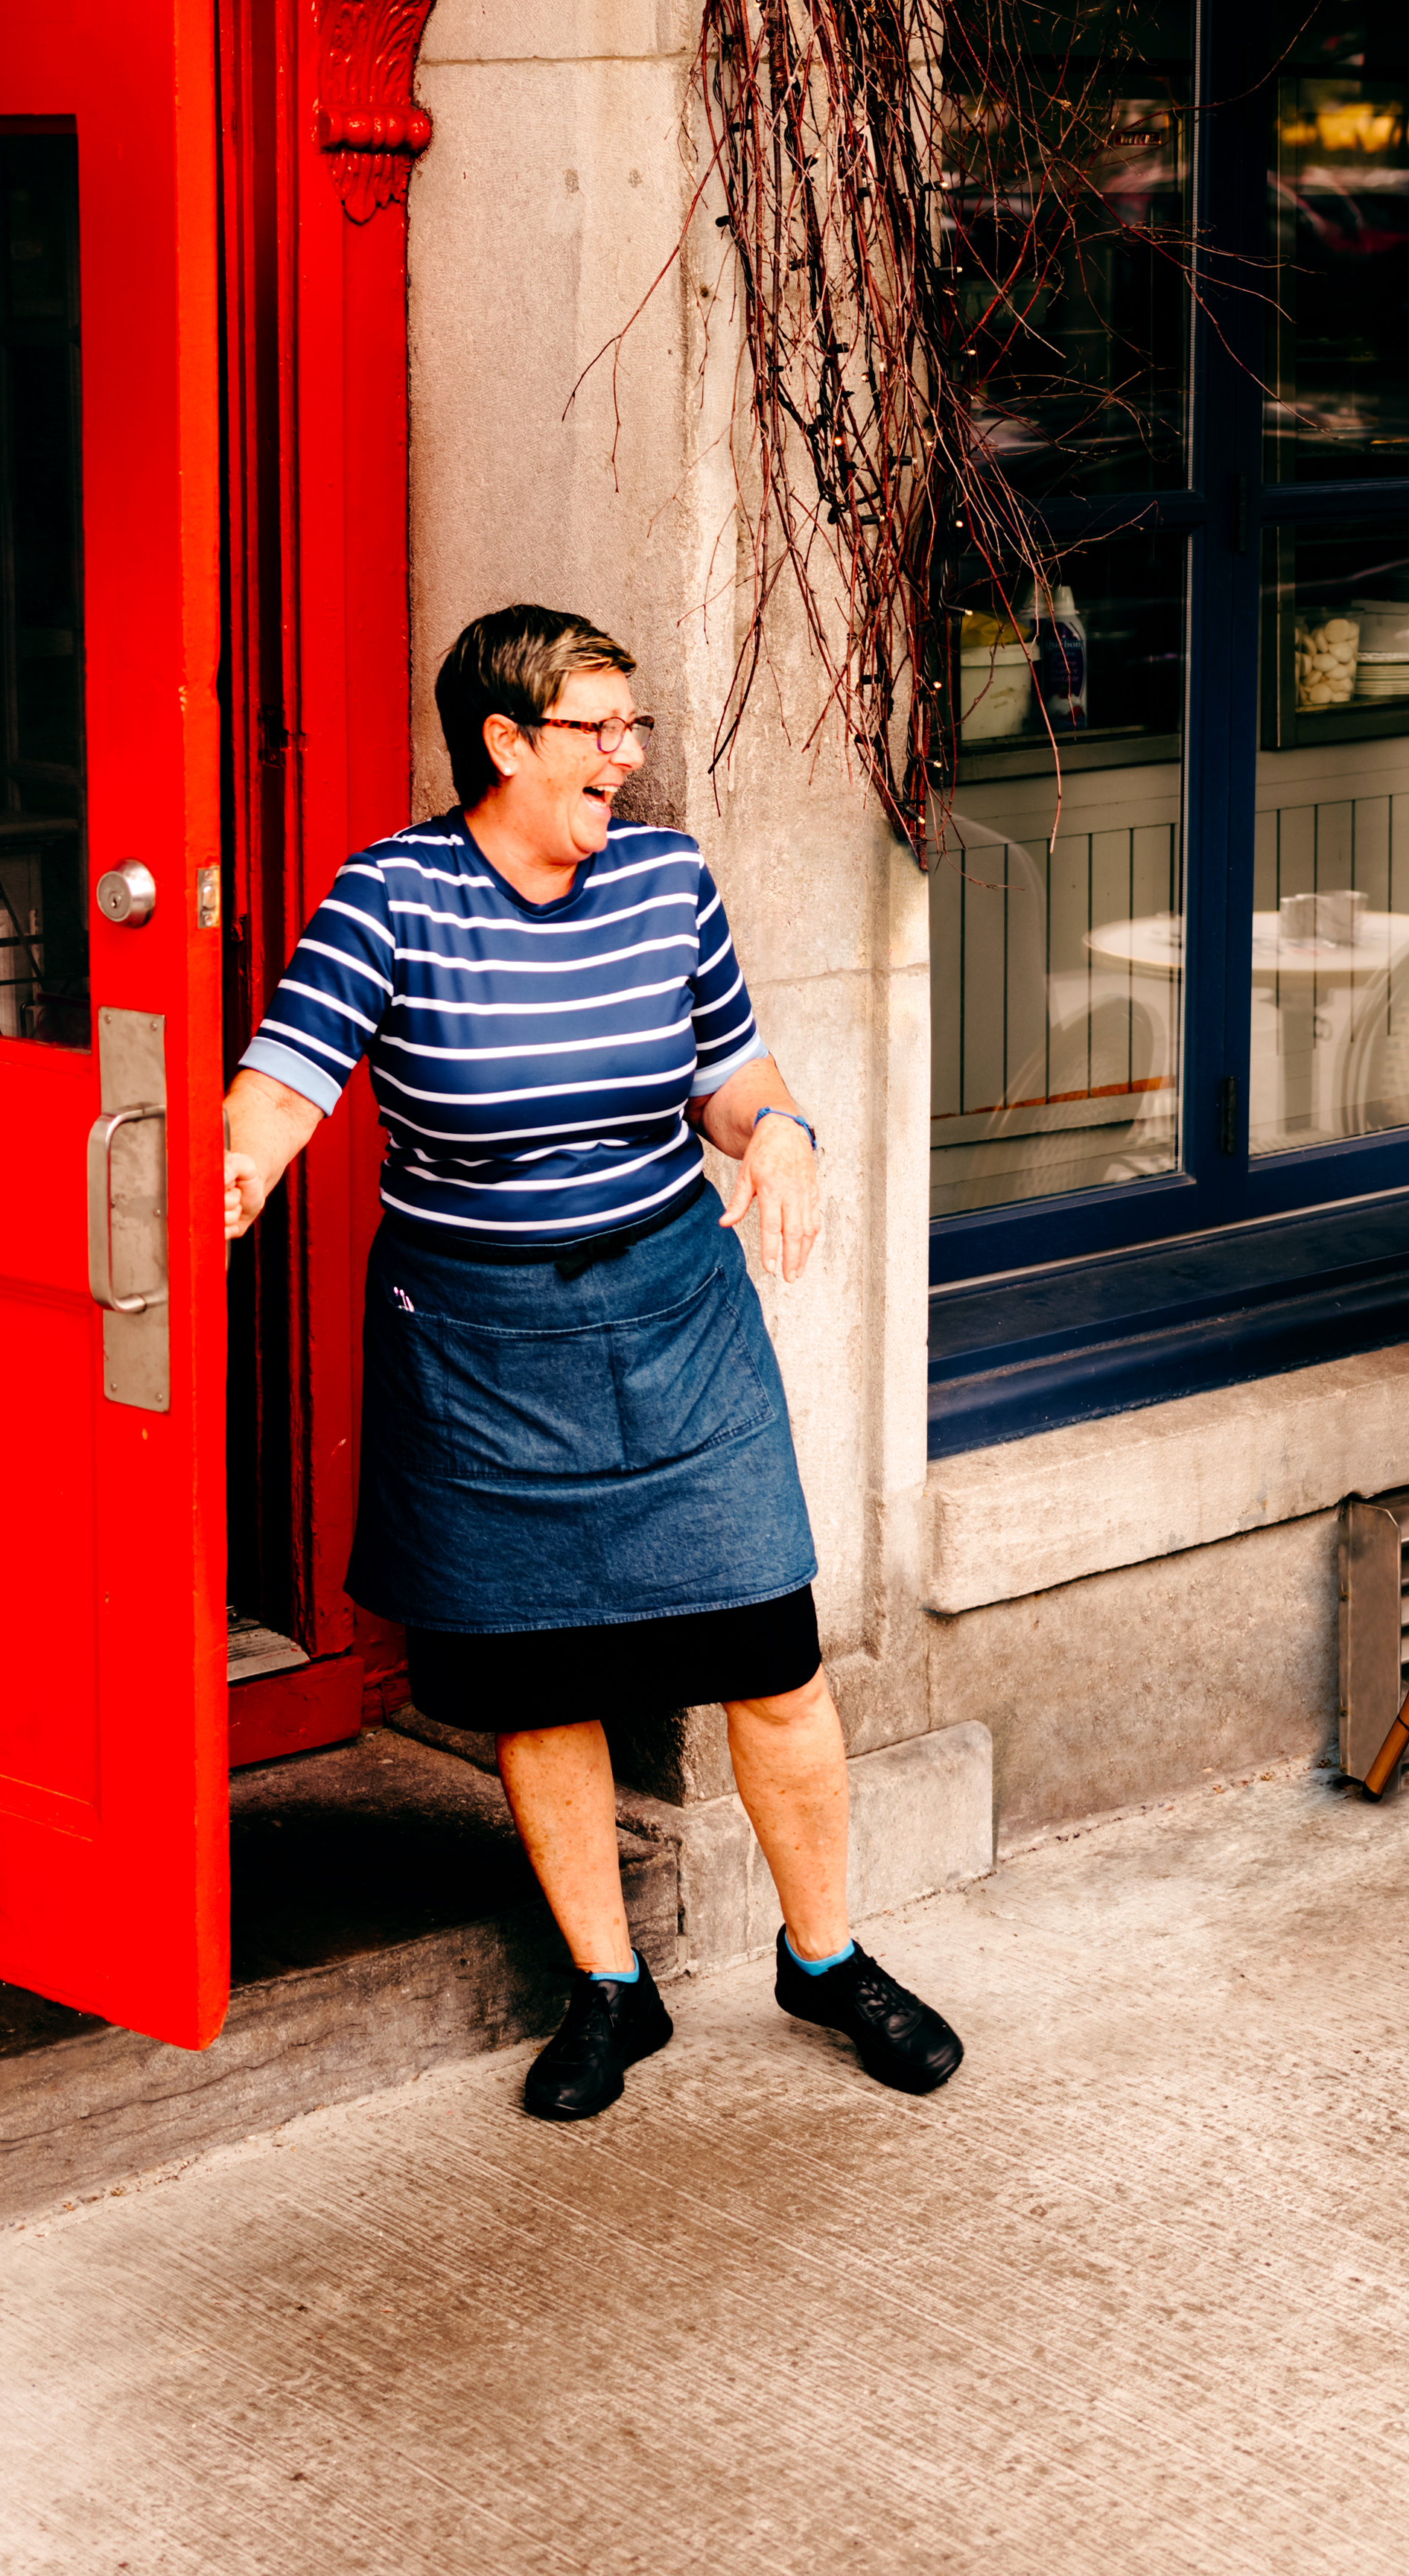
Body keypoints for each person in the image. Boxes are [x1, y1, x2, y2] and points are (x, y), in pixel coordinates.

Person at [218, 604, 964, 2122]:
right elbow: (283, 1087)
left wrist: (784, 1132)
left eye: (636, 729)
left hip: (679, 1317)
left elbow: (729, 1072)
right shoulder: (388, 900)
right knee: (539, 1679)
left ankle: (822, 1956)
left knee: (773, 1654)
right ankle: (610, 1990)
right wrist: (228, 1179)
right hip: (481, 1346)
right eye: (600, 730)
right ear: (504, 741)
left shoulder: (668, 882)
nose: (629, 759)